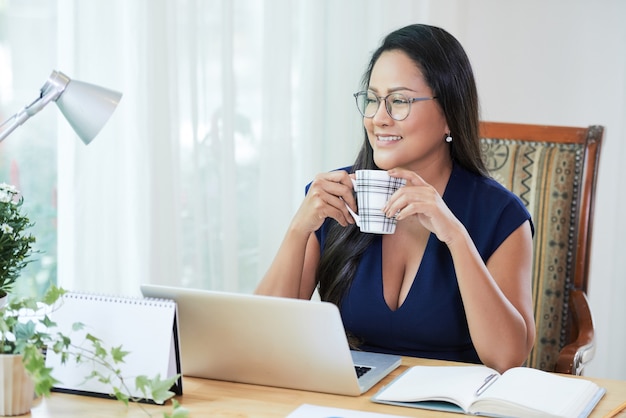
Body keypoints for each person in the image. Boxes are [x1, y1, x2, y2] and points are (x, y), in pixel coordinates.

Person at [255, 24, 535, 373]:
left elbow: (507, 357)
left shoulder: (500, 215)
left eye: (399, 101)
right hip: (349, 402)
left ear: (449, 114)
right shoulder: (335, 196)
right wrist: (298, 231)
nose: (379, 119)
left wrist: (455, 237)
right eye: (372, 100)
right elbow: (261, 339)